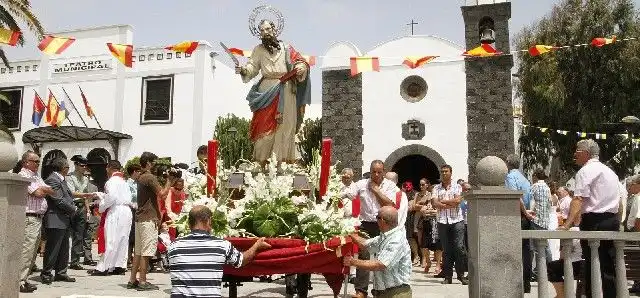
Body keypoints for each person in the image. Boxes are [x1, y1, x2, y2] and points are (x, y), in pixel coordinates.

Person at [235, 17, 311, 163]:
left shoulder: (287, 48)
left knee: (286, 125)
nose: (266, 33)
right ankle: (261, 161)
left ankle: (283, 161)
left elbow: (301, 61)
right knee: (263, 126)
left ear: (274, 29)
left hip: (287, 88)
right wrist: (243, 70)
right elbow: (252, 67)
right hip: (266, 90)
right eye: (262, 31)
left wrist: (301, 67)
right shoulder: (258, 49)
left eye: (268, 29)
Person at [559, 139, 620, 297]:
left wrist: (566, 225)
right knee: (607, 265)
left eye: (577, 151)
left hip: (595, 221)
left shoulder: (586, 171)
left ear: (586, 153)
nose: (574, 154)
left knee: (593, 263)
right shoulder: (610, 172)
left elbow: (578, 199)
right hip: (611, 221)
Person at [168, 205, 271, 297]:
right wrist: (256, 245)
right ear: (209, 221)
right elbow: (241, 260)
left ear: (189, 223)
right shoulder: (221, 245)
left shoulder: (173, 246)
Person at [346, 160, 398, 298]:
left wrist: (376, 190)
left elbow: (389, 204)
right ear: (370, 171)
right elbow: (348, 193)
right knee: (364, 255)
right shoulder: (361, 184)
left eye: (379, 172)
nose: (376, 174)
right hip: (366, 223)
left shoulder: (390, 185)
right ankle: (361, 290)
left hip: (384, 224)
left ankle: (382, 289)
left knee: (384, 257)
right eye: (373, 171)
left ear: (383, 172)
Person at [128, 151, 173, 291]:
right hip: (148, 219)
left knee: (139, 252)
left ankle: (132, 279)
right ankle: (142, 281)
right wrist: (170, 180)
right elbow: (162, 194)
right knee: (147, 251)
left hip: (140, 217)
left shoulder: (140, 177)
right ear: (147, 163)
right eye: (153, 162)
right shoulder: (149, 177)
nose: (154, 165)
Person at [344, 206, 412, 298]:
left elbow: (380, 265)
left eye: (377, 217)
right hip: (383, 293)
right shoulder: (385, 236)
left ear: (382, 220)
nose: (376, 220)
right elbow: (365, 244)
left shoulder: (396, 239)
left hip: (396, 293)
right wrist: (348, 232)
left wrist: (353, 262)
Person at [18, 151, 54, 293]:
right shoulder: (24, 175)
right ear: (26, 162)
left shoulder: (36, 176)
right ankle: (19, 281)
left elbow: (51, 190)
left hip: (38, 218)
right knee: (27, 250)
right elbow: (38, 193)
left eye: (39, 162)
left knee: (33, 251)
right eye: (35, 161)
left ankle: (24, 279)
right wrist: (43, 189)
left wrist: (42, 189)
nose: (38, 164)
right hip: (30, 216)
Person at [92, 160, 133, 276]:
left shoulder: (111, 181)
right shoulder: (124, 182)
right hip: (126, 210)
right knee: (123, 239)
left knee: (110, 238)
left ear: (108, 168)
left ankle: (103, 267)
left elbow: (112, 198)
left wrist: (101, 206)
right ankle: (119, 266)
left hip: (116, 210)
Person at [40, 157, 77, 284]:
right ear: (63, 168)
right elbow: (58, 199)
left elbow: (67, 196)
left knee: (64, 248)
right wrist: (73, 209)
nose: (68, 169)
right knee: (53, 248)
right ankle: (46, 273)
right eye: (67, 167)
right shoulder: (53, 179)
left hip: (64, 218)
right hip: (55, 217)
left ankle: (61, 272)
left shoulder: (61, 179)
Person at [432, 164, 468, 285]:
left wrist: (441, 201)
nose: (444, 173)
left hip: (457, 220)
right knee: (446, 249)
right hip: (442, 220)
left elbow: (458, 201)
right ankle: (448, 276)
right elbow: (434, 203)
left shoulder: (457, 187)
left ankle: (461, 274)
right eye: (442, 172)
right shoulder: (436, 188)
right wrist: (449, 203)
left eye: (446, 171)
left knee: (459, 247)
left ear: (451, 173)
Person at [505, 153, 533, 293]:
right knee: (526, 251)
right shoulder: (525, 178)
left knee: (515, 250)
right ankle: (526, 282)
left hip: (517, 215)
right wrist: (528, 212)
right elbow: (529, 197)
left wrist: (525, 212)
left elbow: (516, 197)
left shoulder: (510, 176)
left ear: (508, 163)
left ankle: (517, 282)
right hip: (525, 216)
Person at [67, 155, 98, 270]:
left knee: (79, 235)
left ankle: (75, 261)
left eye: (85, 165)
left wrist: (88, 210)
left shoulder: (85, 179)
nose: (84, 167)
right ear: (76, 165)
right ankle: (66, 259)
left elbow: (85, 198)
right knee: (68, 234)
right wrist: (86, 195)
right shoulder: (70, 177)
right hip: (71, 206)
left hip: (81, 207)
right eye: (82, 165)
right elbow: (71, 193)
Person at [415, 178, 442, 274]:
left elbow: (439, 211)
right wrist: (430, 211)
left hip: (437, 224)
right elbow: (423, 212)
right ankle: (428, 261)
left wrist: (431, 211)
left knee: (438, 246)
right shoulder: (425, 201)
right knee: (424, 245)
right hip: (426, 223)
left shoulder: (439, 200)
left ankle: (438, 264)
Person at [529, 169, 553, 265]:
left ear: (535, 176)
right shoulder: (547, 187)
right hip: (545, 219)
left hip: (536, 218)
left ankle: (544, 266)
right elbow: (549, 202)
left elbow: (530, 201)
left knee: (534, 246)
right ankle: (550, 266)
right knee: (544, 244)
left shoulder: (534, 186)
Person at [126, 163, 142, 266]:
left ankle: (134, 258)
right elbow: (127, 197)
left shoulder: (138, 183)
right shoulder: (127, 183)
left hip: (138, 210)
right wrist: (132, 204)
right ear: (134, 172)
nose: (140, 173)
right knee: (130, 234)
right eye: (138, 171)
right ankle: (127, 258)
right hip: (130, 209)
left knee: (136, 235)